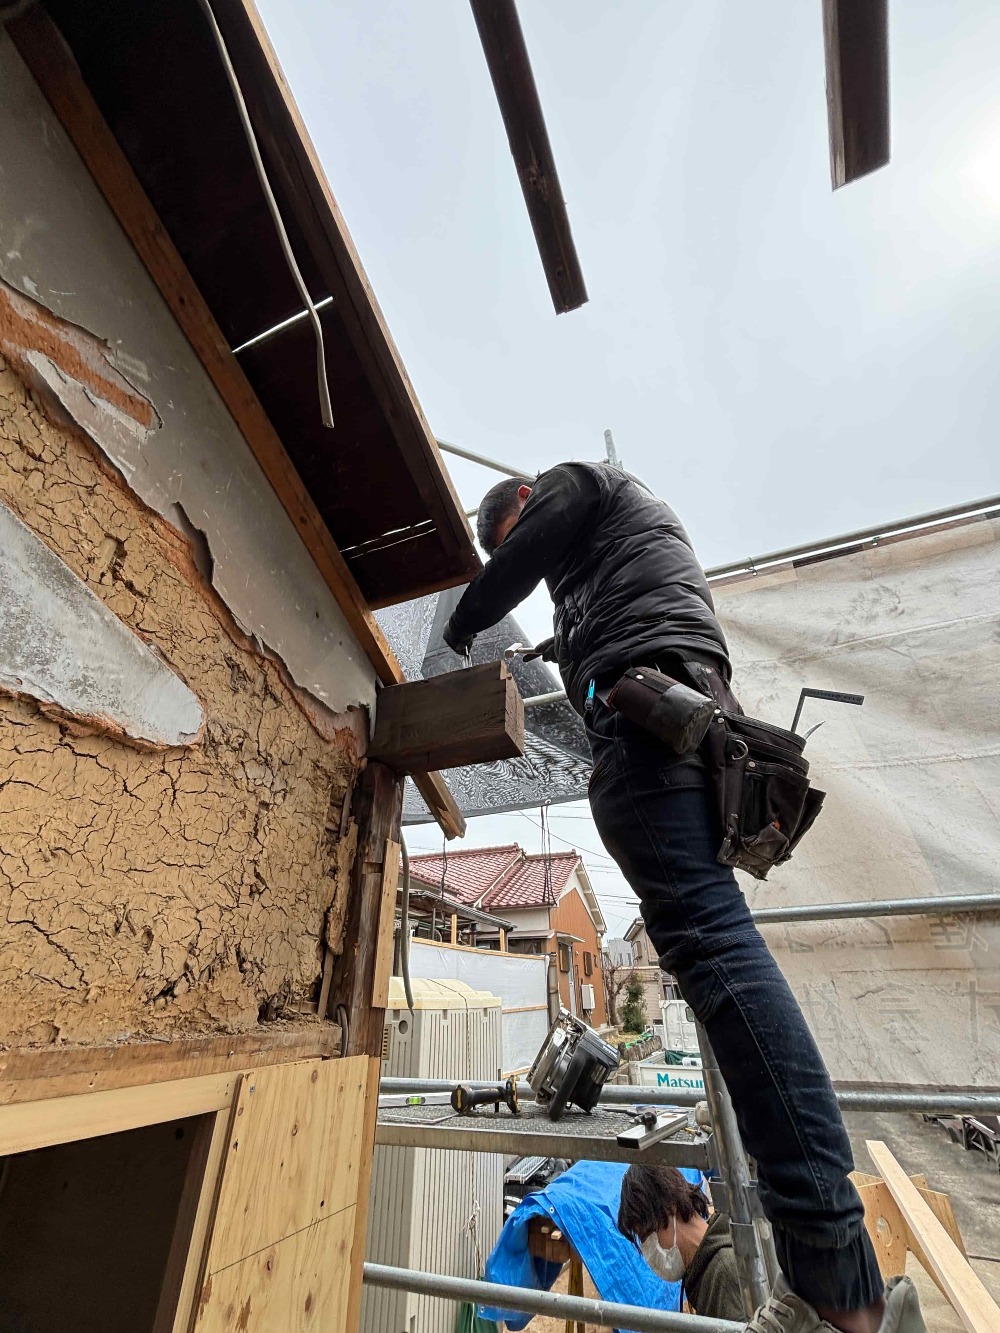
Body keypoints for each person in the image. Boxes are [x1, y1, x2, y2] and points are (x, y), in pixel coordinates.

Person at [443, 463, 925, 1333]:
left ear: (519, 507)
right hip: (694, 726)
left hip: (650, 724)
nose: (518, 559)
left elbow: (539, 545)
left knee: (715, 955)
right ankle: (835, 1274)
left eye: (505, 543)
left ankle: (835, 1288)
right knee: (721, 958)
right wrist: (560, 646)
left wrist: (465, 624)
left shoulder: (571, 485)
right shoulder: (632, 540)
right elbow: (598, 592)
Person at [618, 1164, 744, 1322]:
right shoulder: (706, 1269)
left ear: (671, 1207)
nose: (648, 1251)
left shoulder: (724, 1273)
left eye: (646, 1236)